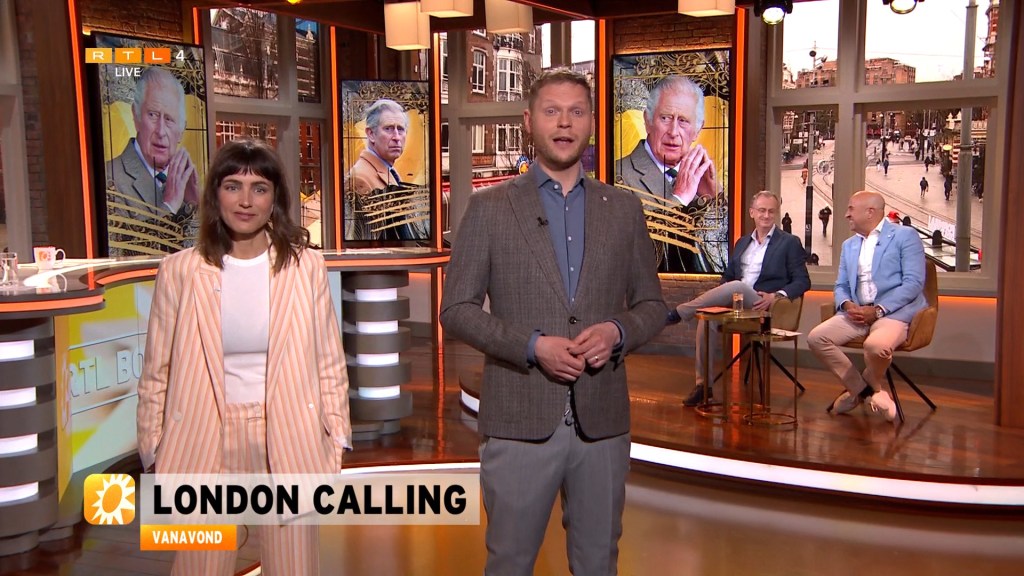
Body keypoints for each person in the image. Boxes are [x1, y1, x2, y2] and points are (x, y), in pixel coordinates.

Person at [440, 69, 665, 575]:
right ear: (528, 121)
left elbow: (652, 305)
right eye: (552, 111)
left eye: (576, 112)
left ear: (591, 123)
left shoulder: (624, 209)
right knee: (510, 564)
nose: (564, 123)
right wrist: (532, 346)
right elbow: (456, 309)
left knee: (598, 564)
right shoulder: (489, 208)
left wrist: (617, 332)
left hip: (602, 424)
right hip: (518, 420)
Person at [137, 139, 351, 575]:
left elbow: (329, 360)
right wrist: (153, 447)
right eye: (233, 186)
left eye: (259, 188)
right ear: (216, 194)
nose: (246, 201)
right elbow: (157, 371)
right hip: (203, 432)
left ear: (275, 199)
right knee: (199, 566)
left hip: (288, 430)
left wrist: (336, 438)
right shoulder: (180, 271)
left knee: (293, 566)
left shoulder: (306, 267)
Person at [667, 191, 810, 406]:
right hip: (737, 304)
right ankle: (703, 387)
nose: (766, 215)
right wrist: (722, 297)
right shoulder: (742, 242)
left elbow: (803, 281)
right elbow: (728, 277)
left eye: (771, 211)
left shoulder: (789, 242)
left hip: (762, 306)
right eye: (762, 210)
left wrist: (775, 296)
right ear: (752, 212)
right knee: (707, 318)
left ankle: (679, 312)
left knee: (738, 286)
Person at [807, 190, 927, 424]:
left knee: (876, 346)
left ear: (870, 212)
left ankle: (858, 393)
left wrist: (879, 310)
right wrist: (847, 304)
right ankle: (865, 392)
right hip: (857, 312)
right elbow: (841, 285)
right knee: (816, 338)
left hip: (892, 313)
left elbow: (913, 283)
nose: (846, 215)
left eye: (851, 209)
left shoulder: (905, 236)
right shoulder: (849, 245)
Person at [614, 74, 718, 273]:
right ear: (647, 121)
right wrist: (678, 198)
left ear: (697, 130)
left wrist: (714, 199)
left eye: (683, 121)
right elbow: (632, 256)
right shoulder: (619, 177)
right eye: (665, 118)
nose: (673, 132)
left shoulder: (703, 179)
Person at [106, 67, 200, 256]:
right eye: (153, 115)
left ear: (181, 130)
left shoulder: (189, 184)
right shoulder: (110, 178)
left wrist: (196, 205)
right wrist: (169, 206)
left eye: (170, 119)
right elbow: (121, 254)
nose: (161, 131)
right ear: (136, 116)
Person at [345, 98, 418, 241]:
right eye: (388, 129)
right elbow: (362, 242)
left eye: (400, 129)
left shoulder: (390, 171)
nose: (396, 137)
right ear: (371, 134)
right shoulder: (360, 179)